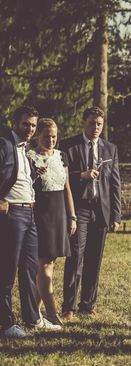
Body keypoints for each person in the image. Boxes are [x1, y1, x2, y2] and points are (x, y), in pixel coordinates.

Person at [0, 106, 61, 338]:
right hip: (12, 215)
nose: (30, 128)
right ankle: (5, 324)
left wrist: (34, 175)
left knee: (29, 269)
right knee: (6, 271)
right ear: (15, 122)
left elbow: (18, 177)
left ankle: (32, 318)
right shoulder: (5, 144)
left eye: (33, 125)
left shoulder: (25, 150)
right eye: (26, 123)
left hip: (30, 214)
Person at [61, 106, 121, 321]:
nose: (95, 127)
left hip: (101, 211)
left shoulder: (110, 149)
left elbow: (115, 184)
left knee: (94, 260)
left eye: (99, 124)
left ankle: (88, 304)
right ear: (83, 123)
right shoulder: (69, 145)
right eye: (91, 123)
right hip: (79, 209)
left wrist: (116, 215)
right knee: (76, 257)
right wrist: (81, 175)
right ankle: (69, 307)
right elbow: (62, 178)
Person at [30, 118, 77, 325]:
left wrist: (72, 216)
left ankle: (33, 314)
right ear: (37, 136)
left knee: (50, 265)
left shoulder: (61, 156)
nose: (51, 140)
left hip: (60, 214)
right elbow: (24, 185)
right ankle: (51, 313)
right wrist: (34, 175)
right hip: (41, 214)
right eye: (46, 136)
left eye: (54, 136)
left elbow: (67, 188)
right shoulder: (30, 157)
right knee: (45, 264)